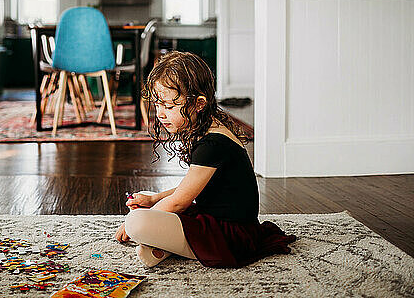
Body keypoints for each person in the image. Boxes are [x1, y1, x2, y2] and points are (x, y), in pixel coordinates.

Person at [114, 51, 296, 268]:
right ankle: (163, 246)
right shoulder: (209, 129)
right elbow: (189, 188)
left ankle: (170, 245)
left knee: (138, 221)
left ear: (199, 103)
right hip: (213, 218)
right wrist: (153, 201)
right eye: (158, 105)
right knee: (153, 203)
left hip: (230, 236)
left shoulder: (212, 144)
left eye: (170, 107)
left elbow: (181, 201)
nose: (161, 114)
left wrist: (131, 223)